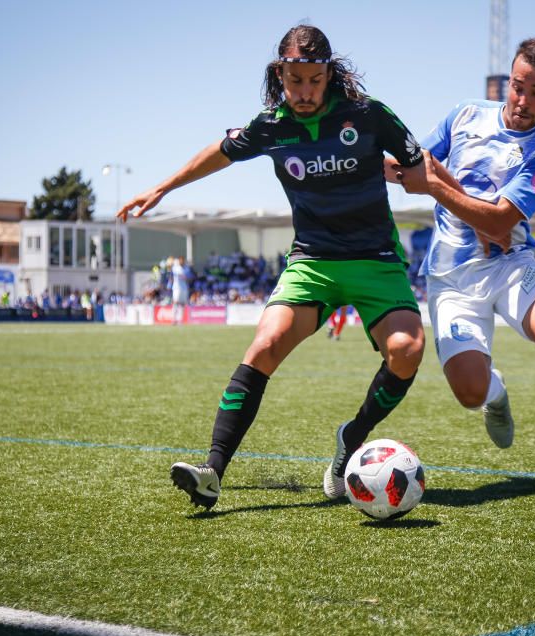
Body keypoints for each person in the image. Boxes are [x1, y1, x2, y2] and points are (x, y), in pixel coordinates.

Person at [118, 25, 426, 510]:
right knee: (263, 346)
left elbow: (419, 167)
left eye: (313, 80)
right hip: (312, 264)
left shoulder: (370, 116)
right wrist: (162, 189)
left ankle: (353, 436)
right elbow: (220, 153)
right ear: (279, 73)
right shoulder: (272, 124)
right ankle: (212, 473)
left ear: (330, 75)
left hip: (376, 261)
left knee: (407, 351)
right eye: (294, 79)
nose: (303, 92)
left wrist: (466, 204)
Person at [389, 37, 535, 494]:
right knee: (470, 393)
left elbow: (502, 220)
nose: (523, 101)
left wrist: (432, 185)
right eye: (518, 86)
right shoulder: (465, 115)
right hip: (450, 277)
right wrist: (395, 165)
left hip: (510, 265)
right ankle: (496, 392)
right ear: (509, 79)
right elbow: (414, 160)